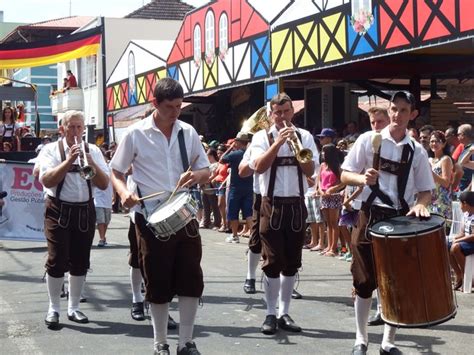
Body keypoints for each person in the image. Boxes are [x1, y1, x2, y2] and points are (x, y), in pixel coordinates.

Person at [110, 78, 209, 355]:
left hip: (185, 215)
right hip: (149, 216)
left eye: (179, 106)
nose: (176, 112)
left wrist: (196, 176)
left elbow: (206, 170)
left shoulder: (187, 132)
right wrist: (122, 193)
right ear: (155, 103)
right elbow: (116, 171)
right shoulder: (135, 133)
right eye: (170, 107)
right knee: (158, 280)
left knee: (191, 278)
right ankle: (160, 343)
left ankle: (186, 342)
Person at [341, 91, 435, 355]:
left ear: (412, 115)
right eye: (393, 109)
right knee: (363, 280)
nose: (396, 115)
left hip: (398, 219)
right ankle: (361, 339)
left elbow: (426, 190)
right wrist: (362, 180)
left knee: (394, 283)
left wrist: (421, 204)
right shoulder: (368, 139)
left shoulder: (416, 150)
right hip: (369, 215)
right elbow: (345, 173)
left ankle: (388, 341)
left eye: (403, 110)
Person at [250, 93, 318, 335]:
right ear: (271, 114)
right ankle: (270, 312)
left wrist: (295, 144)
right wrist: (278, 143)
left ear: (292, 112)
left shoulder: (306, 136)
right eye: (277, 113)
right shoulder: (261, 137)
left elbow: (310, 168)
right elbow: (257, 167)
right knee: (271, 262)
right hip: (272, 204)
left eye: (286, 112)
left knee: (292, 262)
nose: (281, 117)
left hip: (296, 204)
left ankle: (284, 313)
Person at [39, 110, 109, 329]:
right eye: (71, 127)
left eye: (80, 127)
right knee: (57, 259)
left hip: (85, 209)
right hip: (58, 209)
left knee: (81, 261)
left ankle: (74, 307)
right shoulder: (50, 149)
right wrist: (69, 160)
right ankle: (54, 308)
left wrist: (88, 160)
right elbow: (46, 179)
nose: (76, 131)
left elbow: (104, 183)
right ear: (62, 128)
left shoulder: (93, 150)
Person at [220, 132, 253, 243]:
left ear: (238, 142)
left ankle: (234, 236)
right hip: (249, 187)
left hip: (236, 187)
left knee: (233, 212)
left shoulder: (235, 154)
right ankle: (254, 236)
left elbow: (222, 159)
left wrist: (230, 148)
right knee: (248, 213)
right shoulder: (251, 153)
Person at [449, 190, 474, 291]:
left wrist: (458, 242)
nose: (459, 206)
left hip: (472, 242)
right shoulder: (466, 215)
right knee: (446, 244)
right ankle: (458, 274)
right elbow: (463, 233)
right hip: (468, 241)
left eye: (460, 203)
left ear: (465, 203)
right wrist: (455, 238)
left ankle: (468, 276)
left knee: (455, 247)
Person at [428, 131, 453, 220]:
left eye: (437, 141)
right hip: (429, 200)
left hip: (442, 202)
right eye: (432, 141)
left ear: (443, 144)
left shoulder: (446, 159)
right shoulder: (429, 159)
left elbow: (446, 183)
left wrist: (431, 172)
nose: (434, 144)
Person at [456, 124, 474, 192]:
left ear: (463, 135)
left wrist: (469, 189)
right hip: (463, 187)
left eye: (458, 134)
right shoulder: (466, 148)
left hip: (468, 189)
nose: (457, 136)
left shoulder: (472, 149)